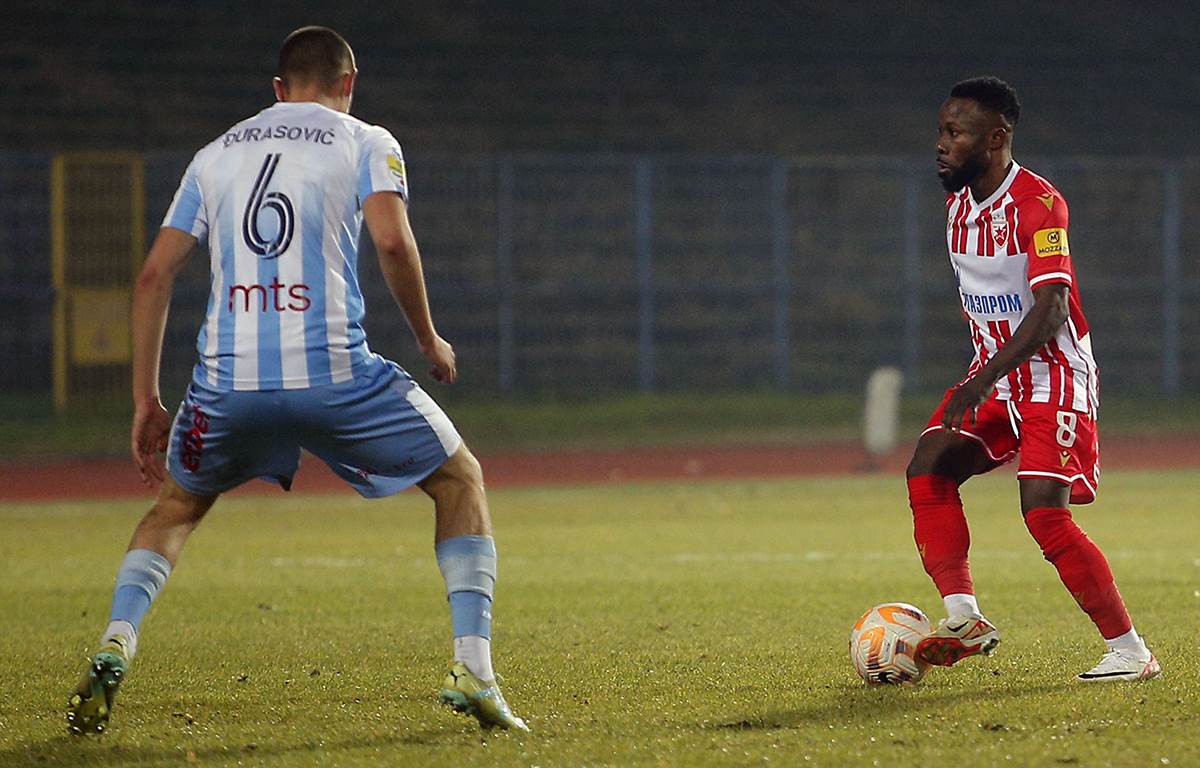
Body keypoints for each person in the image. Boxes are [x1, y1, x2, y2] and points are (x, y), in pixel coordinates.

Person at [67, 26, 528, 733]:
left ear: (277, 90)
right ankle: (474, 667)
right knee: (459, 480)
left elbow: (155, 274)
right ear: (349, 83)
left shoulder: (214, 154)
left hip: (228, 384)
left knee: (175, 511)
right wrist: (428, 338)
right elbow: (394, 240)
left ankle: (116, 644)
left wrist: (146, 400)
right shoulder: (365, 139)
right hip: (336, 375)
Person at [908, 76, 1160, 682]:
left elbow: (1049, 312)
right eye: (941, 130)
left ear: (995, 139)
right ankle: (965, 617)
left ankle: (1131, 652)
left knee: (1044, 513)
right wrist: (985, 377)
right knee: (929, 467)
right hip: (994, 378)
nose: (941, 145)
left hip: (1055, 376)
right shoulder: (959, 202)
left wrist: (980, 379)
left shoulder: (1039, 205)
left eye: (956, 133)